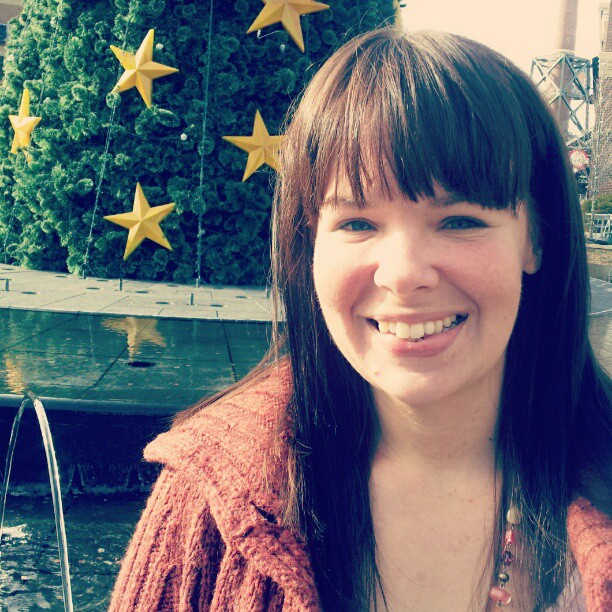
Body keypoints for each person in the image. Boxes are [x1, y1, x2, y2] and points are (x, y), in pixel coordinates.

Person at [109, 28, 612, 611]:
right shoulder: (209, 503)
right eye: (356, 223)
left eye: (459, 221)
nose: (403, 274)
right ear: (309, 244)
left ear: (536, 239)